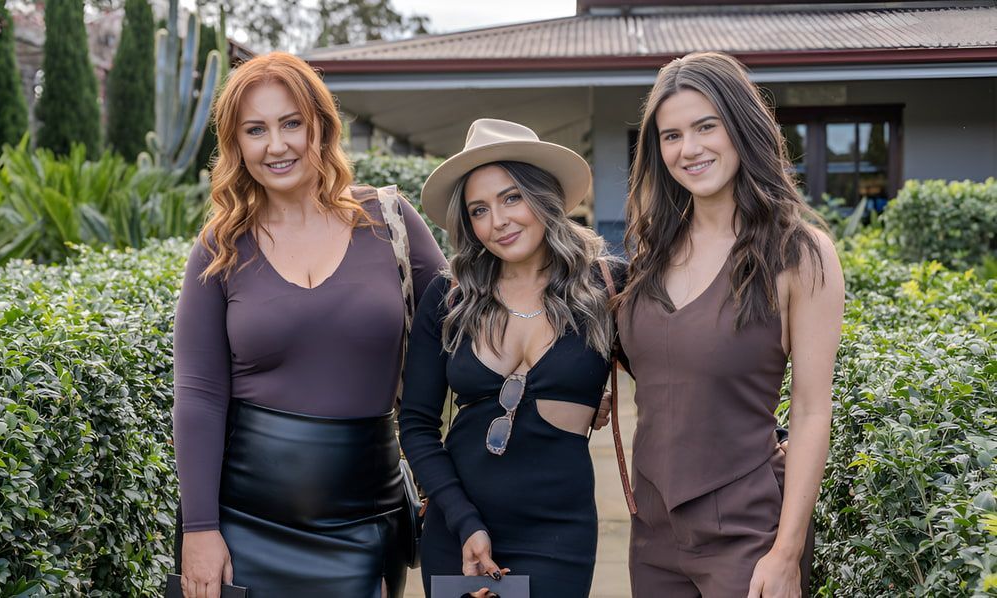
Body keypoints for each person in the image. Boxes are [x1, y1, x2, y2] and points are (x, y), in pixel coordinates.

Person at [171, 52, 446, 598]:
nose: (276, 145)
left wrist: (569, 368)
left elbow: (468, 332)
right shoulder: (219, 248)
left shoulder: (390, 222)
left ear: (320, 125)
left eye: (291, 123)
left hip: (366, 522)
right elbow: (199, 395)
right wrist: (199, 528)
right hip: (243, 521)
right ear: (236, 145)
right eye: (256, 130)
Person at [615, 52, 845, 597]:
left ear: (741, 127)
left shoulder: (800, 253)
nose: (688, 149)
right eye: (670, 136)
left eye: (705, 127)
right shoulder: (651, 253)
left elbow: (812, 411)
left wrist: (786, 552)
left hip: (748, 532)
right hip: (653, 533)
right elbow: (662, 365)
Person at [398, 118, 623, 598]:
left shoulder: (606, 286)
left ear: (543, 196)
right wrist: (463, 519)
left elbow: (681, 373)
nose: (497, 221)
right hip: (461, 532)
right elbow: (416, 425)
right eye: (479, 209)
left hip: (558, 535)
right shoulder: (450, 296)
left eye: (511, 197)